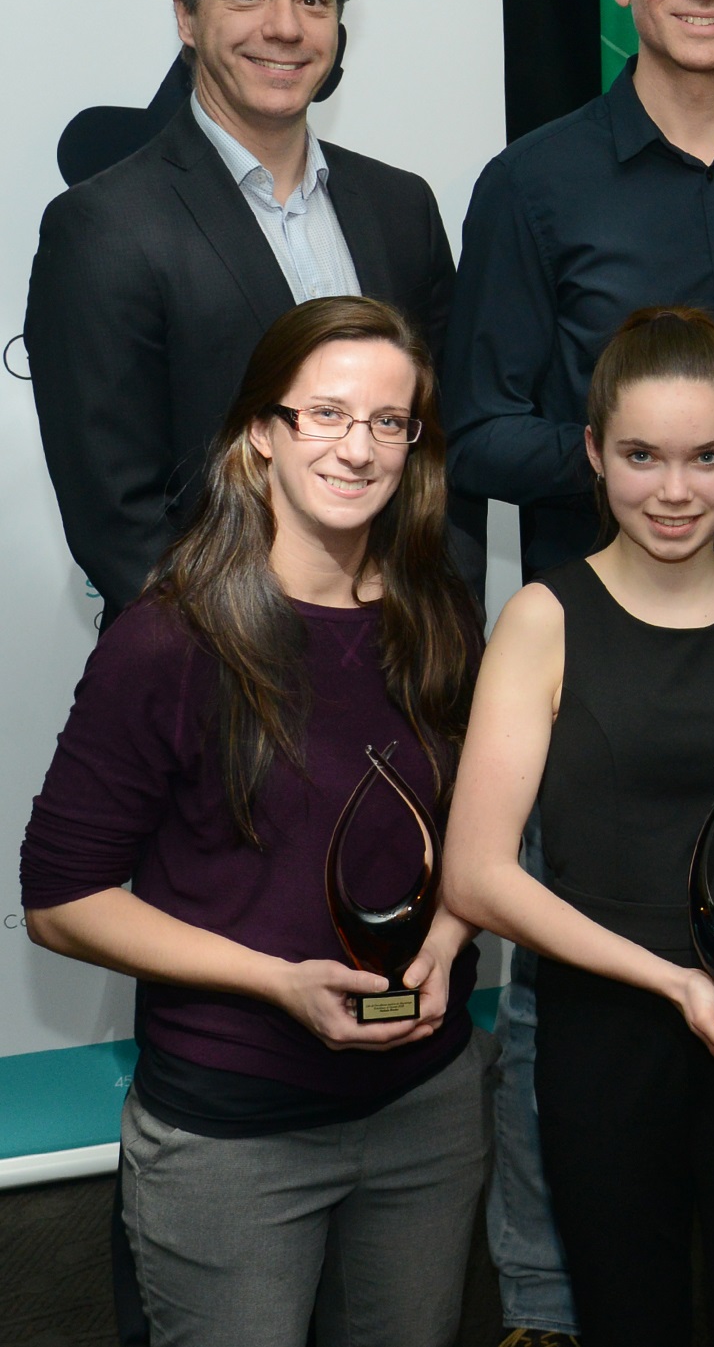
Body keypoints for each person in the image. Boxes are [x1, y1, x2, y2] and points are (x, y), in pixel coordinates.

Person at [443, 0, 714, 1345]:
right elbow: (477, 432)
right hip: (588, 677)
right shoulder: (534, 180)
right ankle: (560, 1306)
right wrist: (662, 473)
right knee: (580, 1026)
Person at [19, 296, 487, 1347]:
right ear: (261, 434)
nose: (357, 448)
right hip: (235, 1131)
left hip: (428, 1106)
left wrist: (453, 940)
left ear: (416, 446)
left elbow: (476, 837)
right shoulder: (169, 639)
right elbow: (61, 900)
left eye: (387, 422)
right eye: (323, 414)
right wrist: (278, 981)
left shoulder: (439, 615)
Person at [444, 307, 714, 1347]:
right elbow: (478, 873)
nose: (674, 491)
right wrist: (668, 981)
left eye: (708, 456)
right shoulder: (543, 618)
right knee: (629, 1317)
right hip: (605, 1036)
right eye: (641, 456)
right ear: (592, 452)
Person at [27, 0, 457, 630]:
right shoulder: (102, 226)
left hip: (398, 654)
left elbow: (444, 443)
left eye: (313, 1)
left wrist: (436, 612)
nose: (285, 28)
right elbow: (117, 516)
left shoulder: (401, 209)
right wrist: (258, 659)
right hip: (210, 678)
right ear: (187, 17)